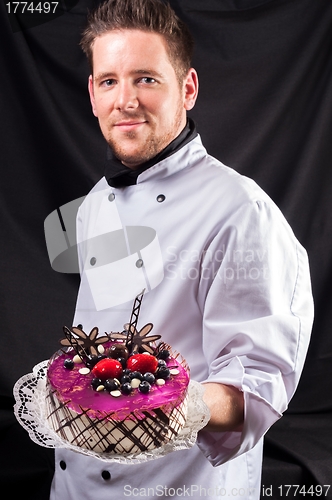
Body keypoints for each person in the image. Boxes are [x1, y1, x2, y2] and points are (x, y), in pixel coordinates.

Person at [49, 0, 314, 498]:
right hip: (74, 482)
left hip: (176, 485)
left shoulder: (240, 211)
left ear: (187, 88)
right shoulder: (96, 202)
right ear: (91, 93)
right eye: (109, 81)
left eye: (146, 78)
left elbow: (256, 385)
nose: (124, 99)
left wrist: (155, 404)